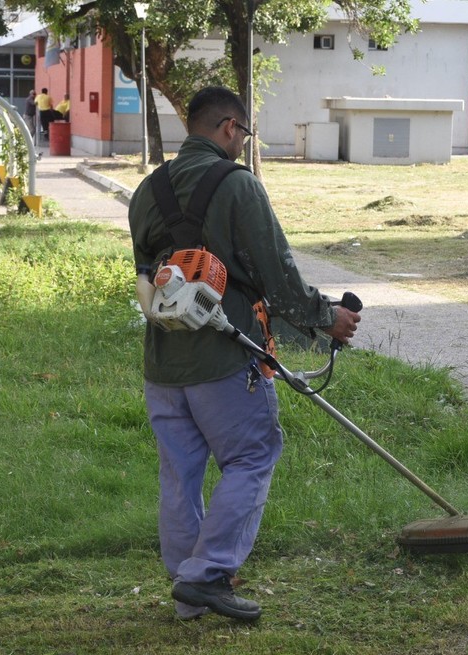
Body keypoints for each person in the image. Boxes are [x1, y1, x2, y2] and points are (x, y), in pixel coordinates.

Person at [127, 86, 360, 622]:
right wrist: (325, 317)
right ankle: (207, 575)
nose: (243, 143)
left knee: (178, 474)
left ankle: (188, 591)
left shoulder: (147, 190)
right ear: (230, 127)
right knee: (251, 457)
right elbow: (278, 276)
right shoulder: (238, 184)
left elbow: (147, 275)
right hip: (226, 356)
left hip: (162, 361)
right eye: (245, 133)